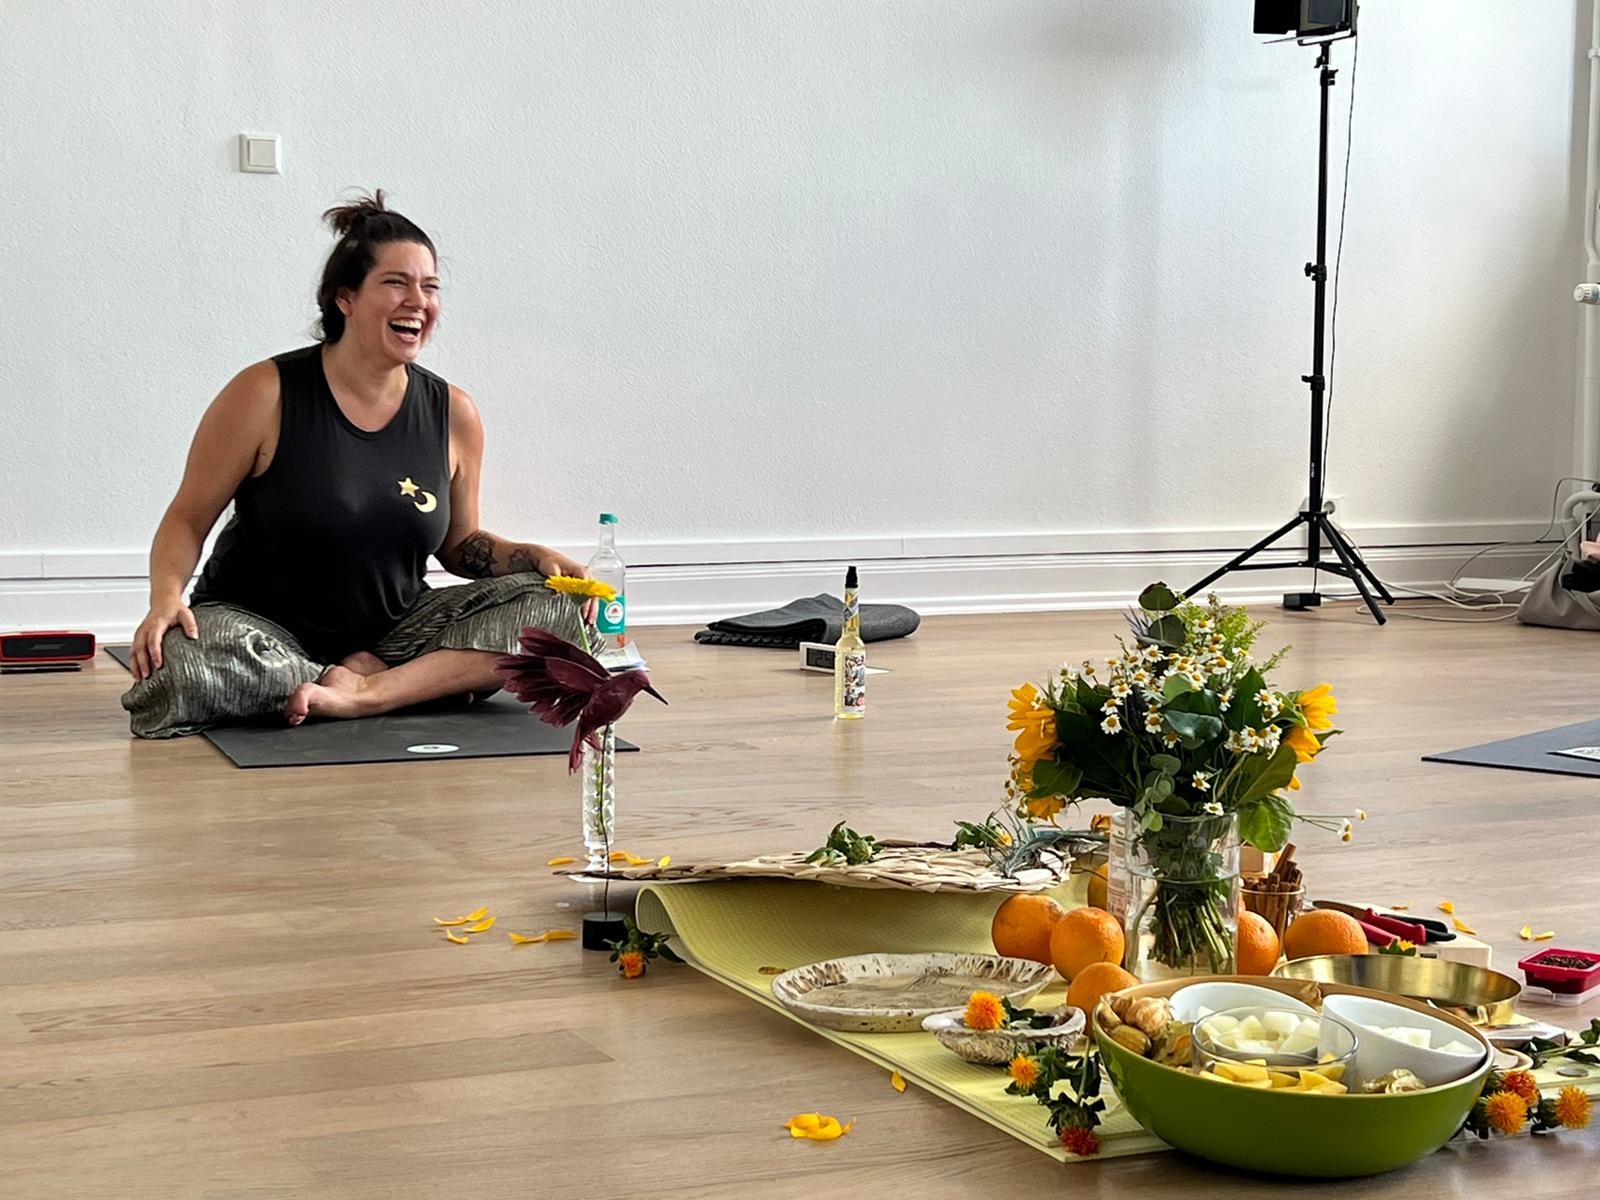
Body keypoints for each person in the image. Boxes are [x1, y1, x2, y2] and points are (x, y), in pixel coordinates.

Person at [121, 191, 594, 737]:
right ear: (345, 298)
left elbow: (460, 545)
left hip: (396, 633)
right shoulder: (265, 392)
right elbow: (187, 518)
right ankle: (372, 682)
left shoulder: (453, 412)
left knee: (566, 612)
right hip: (259, 630)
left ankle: (370, 692)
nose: (418, 301)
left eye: (430, 286)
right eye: (396, 283)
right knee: (176, 666)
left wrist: (529, 556)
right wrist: (165, 599)